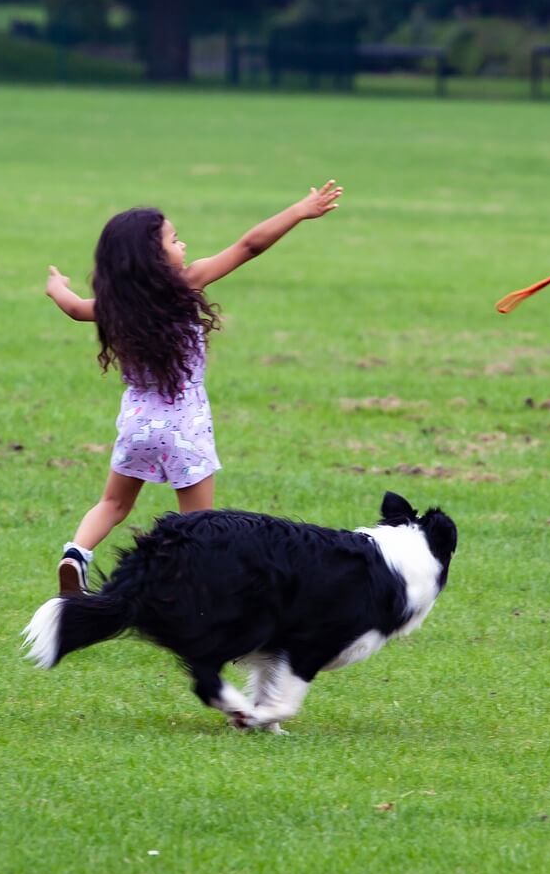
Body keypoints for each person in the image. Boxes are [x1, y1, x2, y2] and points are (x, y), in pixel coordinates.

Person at [44, 179, 343, 594]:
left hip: (137, 426)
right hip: (184, 428)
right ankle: (190, 594)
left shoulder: (114, 306)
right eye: (175, 239)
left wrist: (56, 286)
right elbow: (249, 246)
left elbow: (75, 308)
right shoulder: (186, 285)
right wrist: (299, 210)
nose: (183, 246)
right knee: (198, 527)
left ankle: (76, 553)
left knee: (113, 504)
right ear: (153, 256)